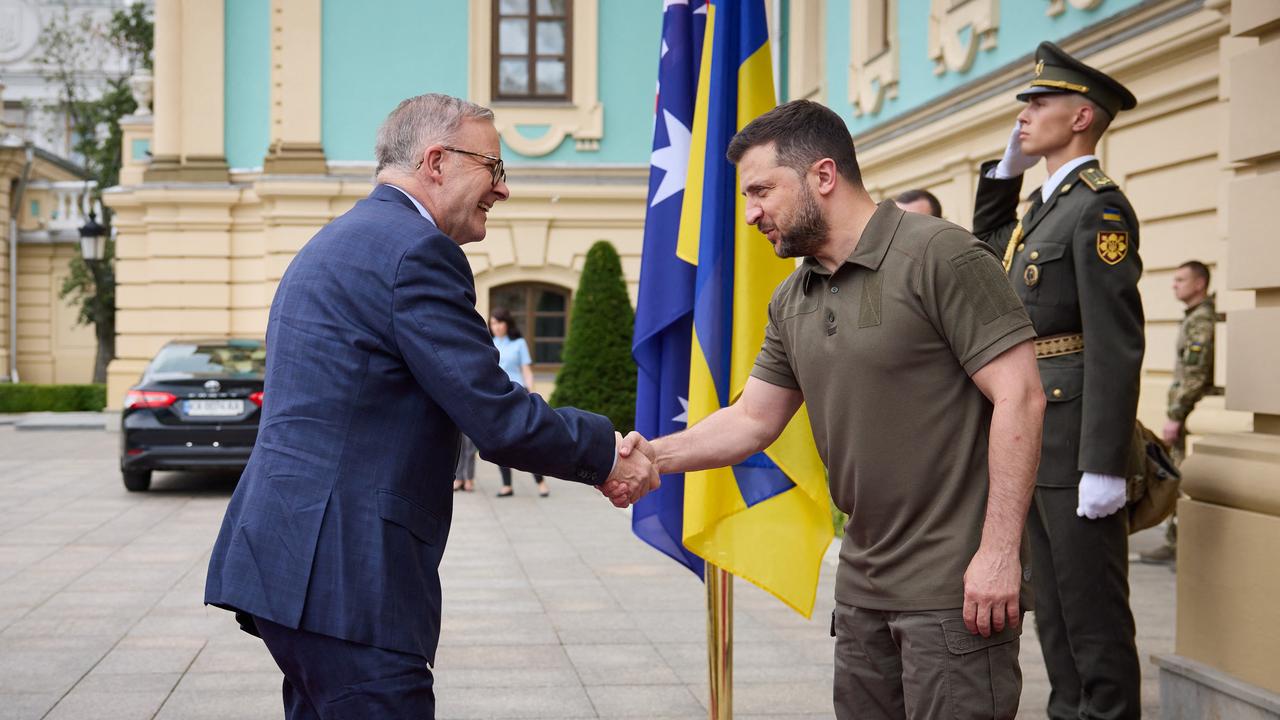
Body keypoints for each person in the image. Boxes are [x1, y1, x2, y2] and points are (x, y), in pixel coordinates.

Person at [204, 93, 657, 719]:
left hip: (291, 562)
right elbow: (496, 415)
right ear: (437, 161)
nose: (503, 189)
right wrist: (608, 452)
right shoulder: (417, 252)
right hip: (347, 577)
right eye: (494, 168)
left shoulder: (338, 241)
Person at [616, 99, 1045, 720]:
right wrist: (647, 456)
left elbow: (1022, 397)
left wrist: (1000, 551)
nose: (750, 213)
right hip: (864, 583)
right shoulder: (793, 295)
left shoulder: (941, 255)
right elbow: (752, 420)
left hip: (955, 589)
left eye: (761, 190)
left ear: (823, 175)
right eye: (745, 196)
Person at [972, 41, 1144, 720]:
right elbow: (987, 253)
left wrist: (1105, 463)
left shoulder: (1097, 209)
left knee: (1092, 612)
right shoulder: (1045, 206)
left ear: (1080, 116)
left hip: (1075, 443)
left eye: (1038, 104)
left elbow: (1116, 341)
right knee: (1052, 608)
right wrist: (1003, 175)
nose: (1024, 114)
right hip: (1035, 431)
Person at [1140, 260, 1215, 564]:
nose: (1174, 284)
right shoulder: (1193, 317)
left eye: (1181, 279)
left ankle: (1179, 545)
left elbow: (1196, 373)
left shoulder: (1201, 320)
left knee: (1181, 475)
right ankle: (1176, 542)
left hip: (1190, 412)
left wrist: (1176, 413)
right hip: (1187, 412)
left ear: (1199, 284)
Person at [488, 307, 550, 498]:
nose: (496, 327)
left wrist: (532, 394)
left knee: (527, 440)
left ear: (507, 323)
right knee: (499, 441)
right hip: (498, 395)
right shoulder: (488, 343)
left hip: (519, 393)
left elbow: (526, 371)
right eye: (493, 323)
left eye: (499, 322)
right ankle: (506, 485)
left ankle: (540, 481)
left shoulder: (519, 343)